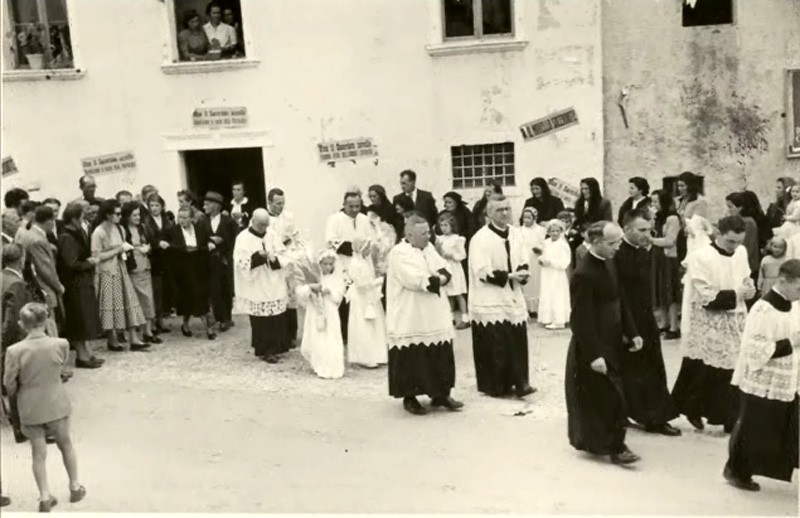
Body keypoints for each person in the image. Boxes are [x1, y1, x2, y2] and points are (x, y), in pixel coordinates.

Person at [565, 221, 640, 465]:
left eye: (618, 241)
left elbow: (621, 299)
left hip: (613, 338)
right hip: (595, 344)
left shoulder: (609, 261)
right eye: (612, 243)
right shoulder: (583, 273)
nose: (618, 247)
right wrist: (594, 354)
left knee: (611, 394)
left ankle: (608, 441)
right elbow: (580, 319)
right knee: (608, 395)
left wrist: (633, 331)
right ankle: (615, 447)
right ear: (596, 242)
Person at [724, 259, 800, 491]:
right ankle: (736, 471)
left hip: (789, 377)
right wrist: (791, 342)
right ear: (782, 281)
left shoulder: (794, 304)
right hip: (763, 379)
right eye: (799, 287)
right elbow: (755, 350)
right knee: (753, 428)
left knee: (787, 425)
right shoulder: (763, 309)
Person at [672, 215, 753, 432]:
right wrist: (737, 293)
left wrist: (749, 287)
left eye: (739, 242)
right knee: (704, 367)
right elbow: (706, 295)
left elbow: (745, 275)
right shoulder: (701, 257)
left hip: (735, 318)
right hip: (709, 319)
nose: (735, 247)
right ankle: (693, 408)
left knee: (732, 368)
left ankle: (728, 417)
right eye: (730, 242)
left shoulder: (741, 252)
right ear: (718, 234)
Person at [3, 302, 86, 512]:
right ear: (46, 320)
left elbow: (9, 383)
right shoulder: (61, 344)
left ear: (22, 324)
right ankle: (75, 486)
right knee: (66, 444)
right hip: (56, 402)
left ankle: (44, 496)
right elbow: (61, 368)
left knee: (38, 454)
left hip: (30, 406)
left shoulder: (14, 351)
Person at [386, 214, 462, 415]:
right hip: (410, 313)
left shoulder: (428, 248)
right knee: (412, 353)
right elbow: (412, 279)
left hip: (434, 311)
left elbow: (443, 268)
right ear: (409, 235)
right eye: (423, 233)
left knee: (440, 348)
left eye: (429, 232)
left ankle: (440, 394)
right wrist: (437, 280)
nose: (429, 236)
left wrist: (442, 276)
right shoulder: (398, 253)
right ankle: (409, 397)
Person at [616, 211, 681, 436]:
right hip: (626, 320)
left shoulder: (644, 253)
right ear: (626, 229)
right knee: (630, 368)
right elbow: (619, 295)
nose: (648, 234)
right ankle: (630, 413)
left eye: (649, 229)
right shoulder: (617, 255)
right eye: (642, 230)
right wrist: (626, 327)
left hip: (645, 318)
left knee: (652, 366)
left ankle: (656, 417)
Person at [468, 195, 535, 398]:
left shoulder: (515, 234)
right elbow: (481, 270)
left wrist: (523, 271)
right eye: (499, 210)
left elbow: (523, 257)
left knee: (515, 339)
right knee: (496, 342)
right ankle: (496, 385)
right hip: (490, 297)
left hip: (512, 294)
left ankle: (520, 381)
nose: (504, 213)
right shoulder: (480, 239)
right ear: (488, 214)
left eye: (507, 209)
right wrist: (509, 276)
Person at [233, 209, 290, 363]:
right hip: (257, 283)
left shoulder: (271, 234)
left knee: (276, 316)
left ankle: (277, 347)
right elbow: (240, 262)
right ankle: (265, 349)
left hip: (273, 280)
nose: (264, 228)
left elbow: (283, 254)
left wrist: (274, 258)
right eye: (261, 225)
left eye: (266, 224)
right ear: (253, 221)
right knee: (261, 319)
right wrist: (257, 257)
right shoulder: (243, 238)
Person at [91, 200, 148, 351]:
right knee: (110, 305)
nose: (119, 216)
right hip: (107, 272)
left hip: (121, 268)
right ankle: (112, 339)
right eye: (116, 214)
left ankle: (134, 338)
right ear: (108, 215)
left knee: (128, 302)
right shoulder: (99, 232)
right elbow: (96, 256)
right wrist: (117, 250)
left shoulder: (119, 228)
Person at [56, 204, 103, 368]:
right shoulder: (66, 237)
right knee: (79, 320)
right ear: (74, 219)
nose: (83, 221)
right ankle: (82, 357)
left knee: (85, 319)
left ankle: (87, 353)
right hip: (75, 284)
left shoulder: (75, 233)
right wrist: (89, 263)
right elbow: (71, 263)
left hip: (82, 282)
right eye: (81, 218)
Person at [325, 191, 373, 343]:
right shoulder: (334, 219)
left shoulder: (365, 219)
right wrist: (353, 247)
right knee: (344, 299)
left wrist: (367, 247)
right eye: (351, 206)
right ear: (344, 205)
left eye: (357, 206)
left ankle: (360, 333)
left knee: (361, 298)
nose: (354, 209)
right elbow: (330, 241)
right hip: (343, 263)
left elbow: (371, 238)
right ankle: (344, 334)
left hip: (362, 265)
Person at [164, 206, 215, 340]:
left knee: (201, 296)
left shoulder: (199, 229)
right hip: (183, 269)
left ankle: (208, 328)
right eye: (180, 217)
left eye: (185, 217)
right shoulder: (172, 231)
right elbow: (164, 243)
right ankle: (185, 324)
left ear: (192, 218)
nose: (182, 220)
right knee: (188, 298)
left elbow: (207, 240)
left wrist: (209, 244)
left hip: (199, 266)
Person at [2, 244, 35, 444]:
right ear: (20, 259)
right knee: (19, 384)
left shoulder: (3, 277)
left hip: (7, 341)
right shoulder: (16, 283)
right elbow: (12, 320)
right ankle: (21, 428)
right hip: (13, 342)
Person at [16, 206, 63, 337]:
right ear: (50, 222)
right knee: (49, 325)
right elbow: (45, 269)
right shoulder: (38, 239)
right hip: (43, 288)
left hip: (34, 287)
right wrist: (59, 287)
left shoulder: (28, 234)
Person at [297, 251, 346, 379]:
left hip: (329, 311)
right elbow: (301, 293)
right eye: (325, 264)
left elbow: (339, 297)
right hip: (315, 311)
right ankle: (317, 363)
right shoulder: (314, 276)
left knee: (330, 336)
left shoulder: (336, 278)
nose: (328, 267)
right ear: (320, 264)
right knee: (316, 335)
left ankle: (331, 365)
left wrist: (329, 292)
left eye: (330, 264)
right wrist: (311, 287)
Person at [267, 188, 303, 349]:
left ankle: (291, 335)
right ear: (269, 203)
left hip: (288, 261)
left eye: (283, 203)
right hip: (273, 262)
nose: (280, 206)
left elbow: (295, 237)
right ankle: (279, 336)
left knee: (291, 298)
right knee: (276, 297)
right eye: (277, 203)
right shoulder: (264, 218)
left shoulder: (289, 217)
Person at [121, 202, 161, 344]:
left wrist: (147, 247)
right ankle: (138, 332)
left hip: (145, 266)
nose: (138, 218)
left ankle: (148, 330)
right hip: (133, 268)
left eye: (139, 215)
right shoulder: (123, 230)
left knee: (148, 299)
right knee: (137, 300)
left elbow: (150, 242)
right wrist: (137, 249)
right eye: (134, 215)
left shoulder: (142, 228)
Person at [345, 236, 387, 368]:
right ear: (360, 249)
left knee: (375, 323)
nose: (369, 250)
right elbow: (361, 284)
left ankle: (378, 354)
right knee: (363, 324)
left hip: (370, 296)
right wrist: (377, 282)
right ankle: (364, 356)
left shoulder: (365, 261)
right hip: (361, 298)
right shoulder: (355, 263)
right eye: (367, 247)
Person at [649, 189, 683, 340]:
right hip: (657, 256)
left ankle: (674, 326)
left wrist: (651, 240)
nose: (653, 204)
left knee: (670, 292)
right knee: (659, 291)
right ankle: (664, 323)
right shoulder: (657, 217)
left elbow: (670, 240)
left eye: (656, 201)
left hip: (668, 258)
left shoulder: (672, 218)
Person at [203, 191, 237, 333]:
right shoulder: (202, 222)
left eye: (207, 204)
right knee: (214, 289)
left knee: (226, 289)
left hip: (224, 260)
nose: (204, 206)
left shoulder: (228, 222)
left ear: (216, 206)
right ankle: (220, 318)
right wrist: (209, 241)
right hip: (210, 261)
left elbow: (235, 239)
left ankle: (227, 318)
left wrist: (223, 241)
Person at [143, 194, 171, 333]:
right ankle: (154, 321)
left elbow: (171, 234)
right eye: (152, 206)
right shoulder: (146, 221)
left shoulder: (166, 219)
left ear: (162, 206)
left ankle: (161, 318)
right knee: (155, 290)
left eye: (157, 205)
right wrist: (157, 243)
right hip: (154, 259)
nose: (154, 208)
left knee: (164, 291)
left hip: (166, 258)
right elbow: (147, 238)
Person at [435, 212, 469, 329]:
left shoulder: (457, 239)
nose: (443, 228)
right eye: (441, 225)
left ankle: (465, 318)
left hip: (454, 268)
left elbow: (462, 255)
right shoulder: (439, 239)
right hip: (445, 268)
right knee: (448, 294)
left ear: (452, 226)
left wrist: (452, 255)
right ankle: (450, 318)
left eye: (446, 225)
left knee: (458, 293)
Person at [537, 219, 571, 330]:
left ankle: (559, 320)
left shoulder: (563, 245)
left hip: (557, 274)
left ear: (561, 231)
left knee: (558, 295)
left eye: (557, 231)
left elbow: (565, 262)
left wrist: (551, 262)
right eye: (552, 231)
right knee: (548, 294)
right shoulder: (546, 243)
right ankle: (548, 318)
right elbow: (543, 254)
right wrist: (541, 259)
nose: (555, 233)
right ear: (548, 232)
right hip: (547, 273)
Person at [726, 192, 760, 282]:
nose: (728, 210)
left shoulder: (748, 222)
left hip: (746, 265)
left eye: (730, 207)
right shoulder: (738, 220)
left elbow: (746, 246)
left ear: (740, 207)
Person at [518, 207, 546, 318]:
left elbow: (544, 243)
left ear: (534, 218)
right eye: (524, 217)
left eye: (529, 218)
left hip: (536, 258)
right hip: (525, 258)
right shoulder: (519, 231)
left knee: (537, 282)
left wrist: (540, 249)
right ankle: (527, 308)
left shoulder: (540, 230)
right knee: (526, 282)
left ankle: (538, 308)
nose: (526, 220)